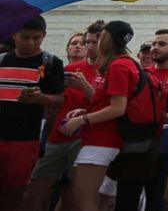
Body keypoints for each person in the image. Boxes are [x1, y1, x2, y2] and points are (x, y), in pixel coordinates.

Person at [23, 21, 104, 211]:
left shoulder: (108, 71)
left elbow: (107, 107)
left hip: (84, 140)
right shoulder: (64, 69)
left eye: (87, 43)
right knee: (35, 191)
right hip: (55, 138)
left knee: (73, 196)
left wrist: (85, 87)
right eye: (84, 42)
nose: (83, 46)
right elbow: (48, 99)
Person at [62, 20, 140, 211]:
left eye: (100, 37)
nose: (95, 43)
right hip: (107, 139)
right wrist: (86, 111)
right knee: (94, 200)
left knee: (83, 200)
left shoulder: (119, 66)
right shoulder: (126, 64)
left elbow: (117, 108)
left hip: (102, 140)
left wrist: (82, 119)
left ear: (108, 39)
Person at [116, 28, 168, 211]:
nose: (155, 48)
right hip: (136, 144)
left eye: (162, 44)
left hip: (166, 145)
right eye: (154, 44)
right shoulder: (140, 74)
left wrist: (162, 118)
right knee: (126, 197)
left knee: (157, 198)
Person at [0, 16, 65, 211]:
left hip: (25, 138)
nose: (31, 42)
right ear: (14, 35)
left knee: (16, 191)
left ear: (44, 36)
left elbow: (60, 99)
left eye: (37, 38)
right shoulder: (2, 60)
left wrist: (40, 98)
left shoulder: (51, 62)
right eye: (25, 37)